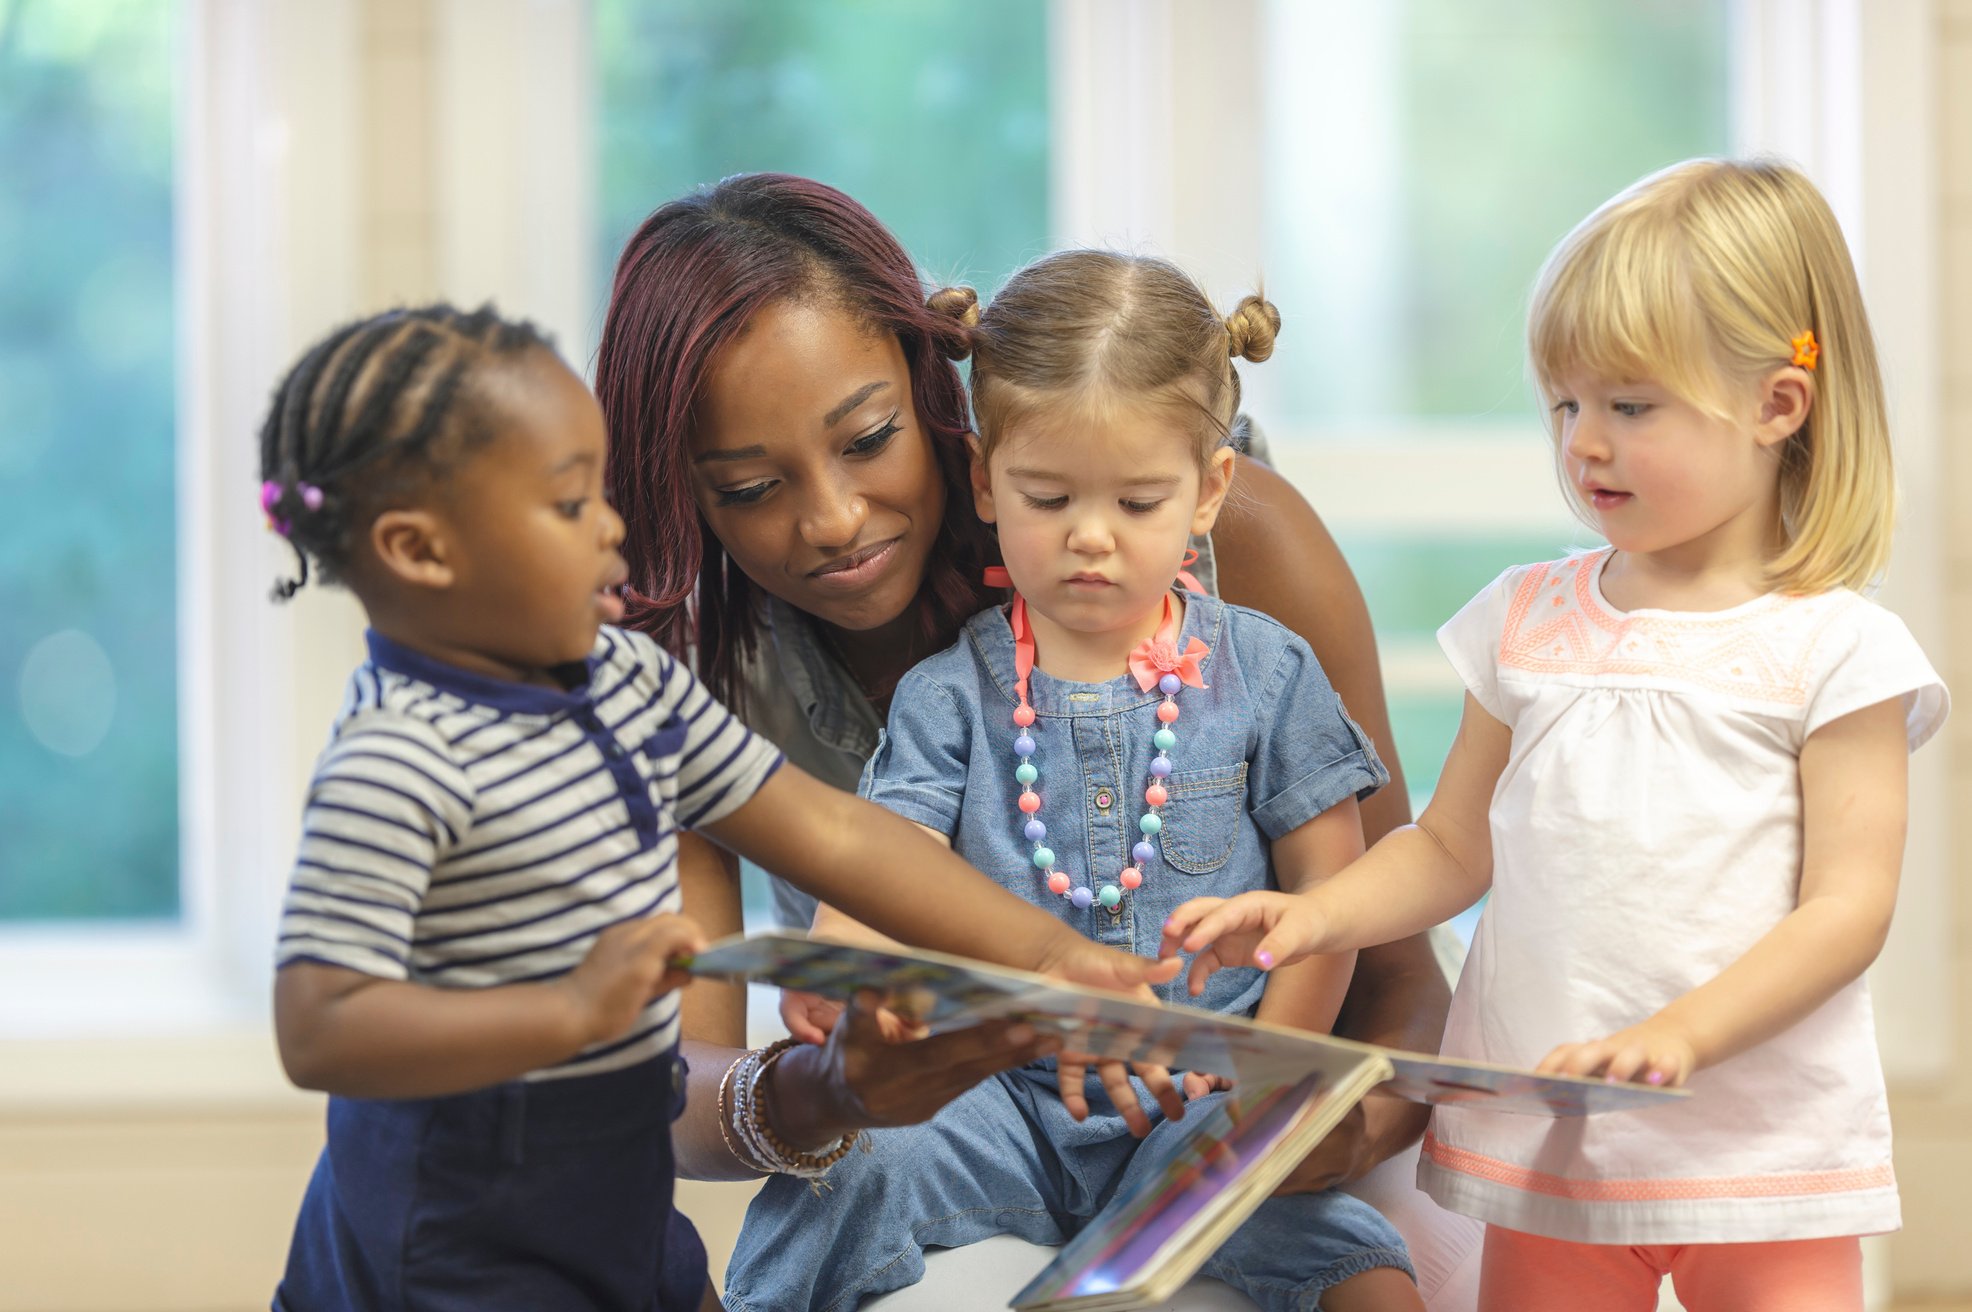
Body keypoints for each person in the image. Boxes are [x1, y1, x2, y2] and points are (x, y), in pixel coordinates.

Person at [595, 172, 1479, 1306]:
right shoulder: (726, 674)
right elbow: (697, 1064)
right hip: (982, 1118)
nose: (831, 519)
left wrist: (1301, 1121)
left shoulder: (1243, 573)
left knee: (1348, 1263)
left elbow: (1385, 950)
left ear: (935, 403)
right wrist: (820, 1082)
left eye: (869, 439)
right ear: (686, 496)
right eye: (752, 486)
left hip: (1234, 1096)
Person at [256, 303, 1178, 1312]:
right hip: (447, 1240)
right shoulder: (395, 759)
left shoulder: (624, 679)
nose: (611, 524)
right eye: (569, 504)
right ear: (420, 550)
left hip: (614, 1200)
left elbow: (828, 830)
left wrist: (1050, 959)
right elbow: (320, 1027)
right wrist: (568, 1012)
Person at [1162, 158, 1949, 1312]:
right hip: (1551, 1149)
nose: (1582, 443)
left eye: (1630, 407)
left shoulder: (1834, 651)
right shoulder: (1527, 622)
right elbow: (1446, 850)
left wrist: (1681, 1034)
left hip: (1762, 1154)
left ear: (1778, 407)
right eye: (1563, 404)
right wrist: (1312, 914)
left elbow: (1846, 910)